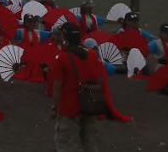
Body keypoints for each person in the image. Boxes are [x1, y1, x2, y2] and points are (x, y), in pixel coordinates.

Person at [51, 23, 130, 151]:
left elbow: (57, 85)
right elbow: (100, 79)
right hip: (89, 104)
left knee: (67, 143)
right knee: (90, 143)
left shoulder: (62, 58)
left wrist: (54, 107)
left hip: (69, 107)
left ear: (65, 38)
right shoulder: (92, 55)